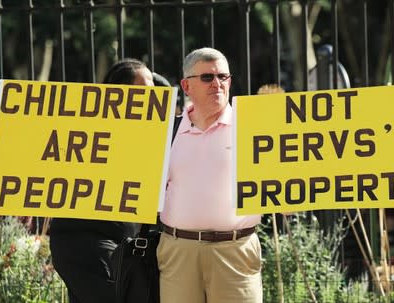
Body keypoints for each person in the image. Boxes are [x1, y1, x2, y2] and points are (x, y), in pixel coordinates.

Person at [157, 47, 262, 303]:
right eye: (207, 77)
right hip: (178, 251)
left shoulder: (254, 128)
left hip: (236, 251)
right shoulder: (164, 132)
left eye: (223, 77)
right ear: (186, 86)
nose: (217, 84)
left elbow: (281, 186)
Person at [49, 58, 154, 303]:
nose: (153, 96)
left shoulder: (147, 133)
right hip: (82, 242)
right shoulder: (88, 129)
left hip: (119, 244)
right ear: (119, 94)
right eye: (146, 90)